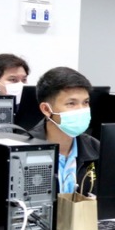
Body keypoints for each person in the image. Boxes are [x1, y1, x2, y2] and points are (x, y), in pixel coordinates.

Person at [30, 67, 98, 196]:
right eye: (71, 103)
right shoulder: (24, 152)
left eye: (85, 102)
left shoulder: (96, 149)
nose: (81, 109)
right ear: (46, 109)